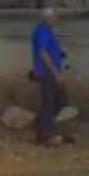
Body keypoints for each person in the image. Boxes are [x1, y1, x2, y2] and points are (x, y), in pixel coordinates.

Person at [28, 8, 68, 148]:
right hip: (46, 73)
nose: (57, 19)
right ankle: (44, 134)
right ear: (48, 18)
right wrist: (55, 73)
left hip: (53, 71)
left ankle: (42, 124)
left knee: (60, 101)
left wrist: (62, 60)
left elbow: (55, 51)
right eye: (54, 17)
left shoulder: (50, 31)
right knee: (49, 103)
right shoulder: (41, 32)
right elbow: (43, 54)